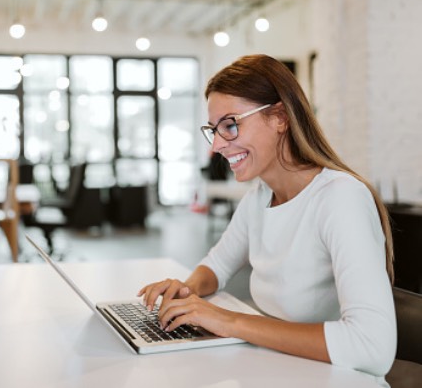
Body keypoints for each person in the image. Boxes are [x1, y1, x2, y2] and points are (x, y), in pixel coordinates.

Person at [138, 54, 396, 385]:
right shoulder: (260, 197)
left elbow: (372, 347)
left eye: (230, 125)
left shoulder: (340, 197)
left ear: (279, 118)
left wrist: (227, 321)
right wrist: (186, 293)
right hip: (284, 372)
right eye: (213, 130)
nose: (217, 145)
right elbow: (217, 266)